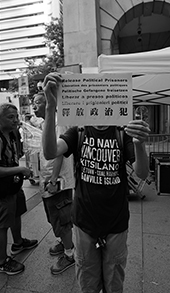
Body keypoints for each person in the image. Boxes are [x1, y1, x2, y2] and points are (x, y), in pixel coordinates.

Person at [42, 73, 150, 292]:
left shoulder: (123, 134)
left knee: (114, 282)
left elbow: (142, 173)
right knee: (88, 283)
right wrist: (50, 107)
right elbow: (50, 151)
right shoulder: (77, 133)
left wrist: (139, 144)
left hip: (116, 223)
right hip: (84, 223)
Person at [32, 92, 75, 275]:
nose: (34, 106)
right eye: (33, 103)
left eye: (38, 103)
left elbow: (59, 153)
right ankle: (64, 242)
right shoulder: (46, 123)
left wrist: (53, 180)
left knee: (62, 219)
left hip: (57, 182)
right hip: (49, 180)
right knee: (55, 217)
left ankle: (70, 253)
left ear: (49, 104)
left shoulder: (57, 122)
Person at [0, 103, 38, 276]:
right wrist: (20, 169)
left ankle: (18, 243)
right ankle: (2, 261)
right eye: (10, 117)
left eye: (16, 116)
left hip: (14, 185)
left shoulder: (14, 133)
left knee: (16, 212)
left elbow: (18, 153)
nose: (16, 120)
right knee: (2, 225)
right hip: (2, 190)